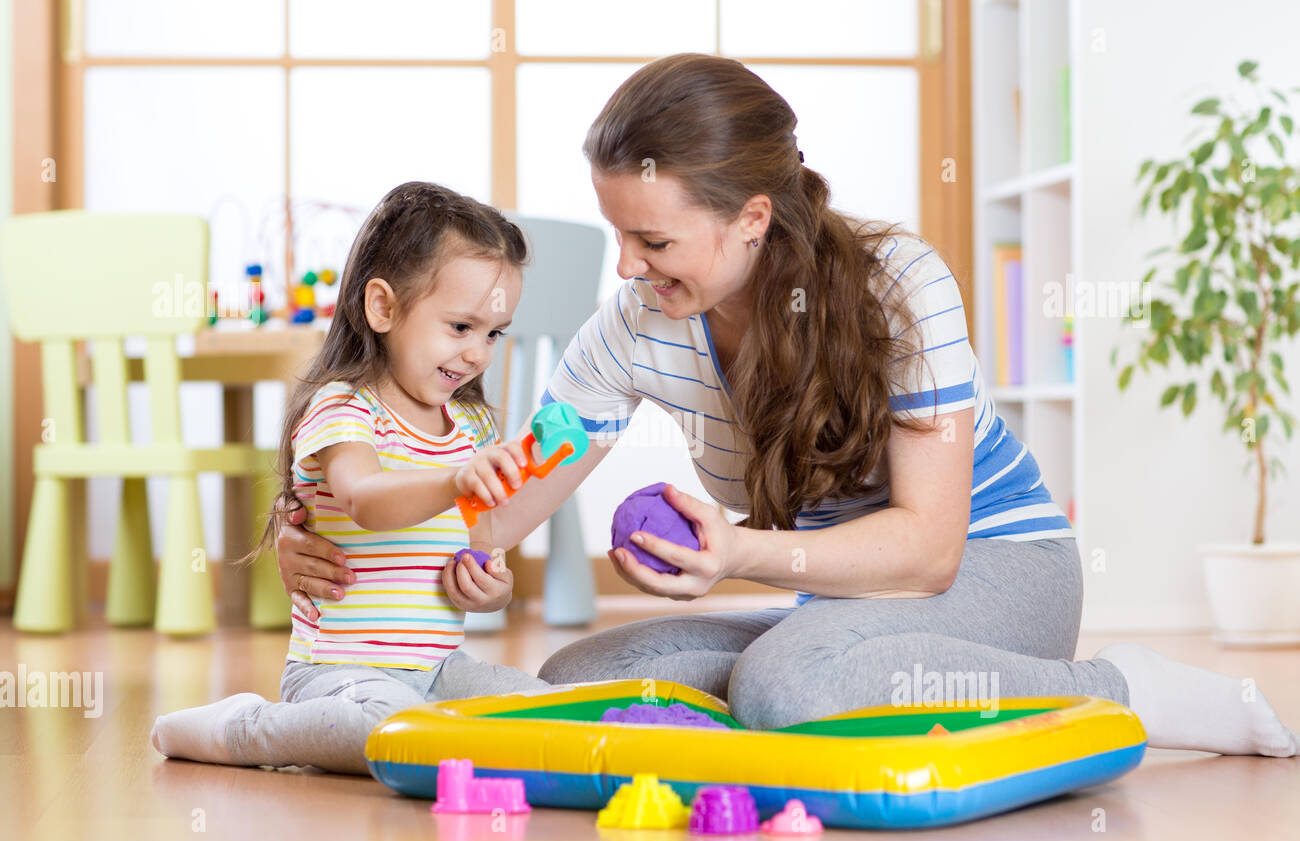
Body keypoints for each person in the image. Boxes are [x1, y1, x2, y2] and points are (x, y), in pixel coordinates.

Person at [273, 56, 1297, 758]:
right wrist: (319, 519)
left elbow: (926, 553)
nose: (625, 266)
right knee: (582, 673)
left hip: (995, 569)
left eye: (655, 242)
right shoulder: (634, 325)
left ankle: (1125, 690)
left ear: (750, 218)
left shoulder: (899, 286)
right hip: (835, 605)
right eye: (616, 234)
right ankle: (834, 680)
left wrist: (737, 551)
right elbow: (500, 502)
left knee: (786, 690)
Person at [151, 181, 549, 775]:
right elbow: (365, 499)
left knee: (542, 709)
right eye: (460, 327)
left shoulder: (468, 424)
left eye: (493, 333)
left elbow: (483, 544)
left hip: (439, 669)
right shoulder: (344, 407)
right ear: (383, 307)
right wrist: (453, 479)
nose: (477, 354)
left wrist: (493, 587)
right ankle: (242, 729)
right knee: (385, 726)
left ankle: (430, 736)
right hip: (337, 674)